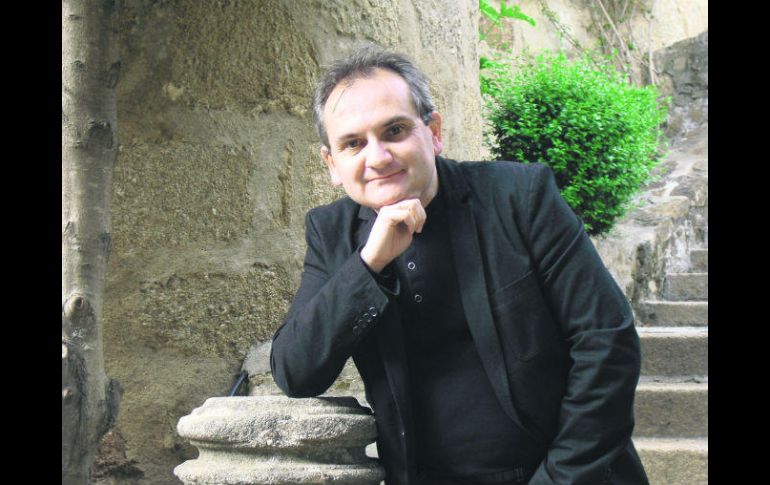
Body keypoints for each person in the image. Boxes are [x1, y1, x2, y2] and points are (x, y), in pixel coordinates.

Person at [270, 46, 649, 485]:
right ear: (332, 164)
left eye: (394, 130)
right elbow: (296, 372)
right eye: (353, 143)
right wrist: (370, 263)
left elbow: (607, 342)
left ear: (433, 132)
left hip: (560, 474)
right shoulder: (332, 232)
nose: (377, 158)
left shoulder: (519, 197)